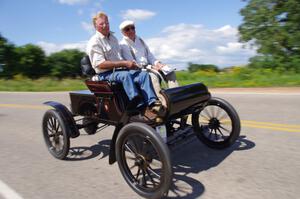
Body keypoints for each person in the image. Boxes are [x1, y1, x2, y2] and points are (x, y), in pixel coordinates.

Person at [86, 12, 162, 122]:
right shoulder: (94, 42)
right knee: (125, 76)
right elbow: (99, 64)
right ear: (95, 26)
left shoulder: (113, 38)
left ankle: (153, 104)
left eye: (107, 23)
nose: (105, 25)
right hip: (105, 74)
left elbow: (119, 57)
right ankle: (140, 107)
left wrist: (132, 65)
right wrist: (125, 64)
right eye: (101, 24)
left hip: (119, 71)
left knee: (143, 75)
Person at [119, 20, 179, 107]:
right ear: (123, 32)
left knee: (170, 72)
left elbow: (149, 55)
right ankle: (163, 105)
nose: (131, 31)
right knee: (153, 77)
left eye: (132, 28)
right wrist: (152, 67)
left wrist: (158, 63)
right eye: (127, 29)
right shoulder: (123, 45)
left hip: (149, 67)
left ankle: (176, 98)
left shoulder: (140, 40)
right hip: (138, 70)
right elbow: (133, 64)